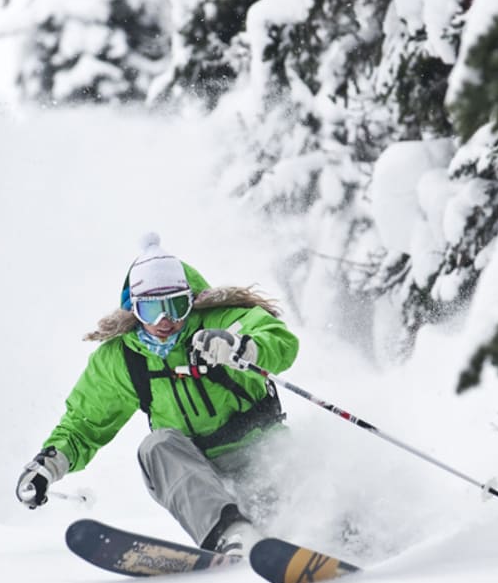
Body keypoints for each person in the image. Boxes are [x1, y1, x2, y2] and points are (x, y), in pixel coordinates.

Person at [16, 233, 299, 556]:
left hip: (262, 453)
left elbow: (279, 340)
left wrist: (243, 347)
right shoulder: (123, 359)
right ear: (133, 310)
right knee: (156, 446)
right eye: (152, 310)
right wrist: (47, 467)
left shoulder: (222, 320)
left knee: (307, 506)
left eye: (176, 306)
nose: (166, 320)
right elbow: (84, 423)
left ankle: (347, 536)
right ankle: (233, 536)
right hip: (199, 478)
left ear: (190, 300)